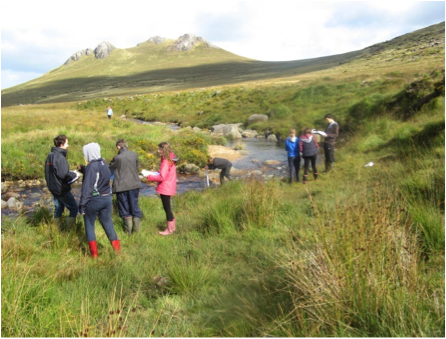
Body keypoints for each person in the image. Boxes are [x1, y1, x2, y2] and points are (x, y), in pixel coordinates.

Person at [79, 143, 120, 258]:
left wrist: (82, 205)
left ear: (88, 153)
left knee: (89, 225)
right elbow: (100, 177)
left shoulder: (91, 167)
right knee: (108, 224)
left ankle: (94, 256)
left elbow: (88, 189)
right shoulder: (103, 163)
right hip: (107, 199)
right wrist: (84, 170)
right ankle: (117, 253)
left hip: (94, 200)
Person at [109, 139, 143, 236]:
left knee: (124, 208)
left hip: (121, 186)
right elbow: (136, 167)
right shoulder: (134, 155)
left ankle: (127, 232)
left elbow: (109, 169)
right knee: (134, 206)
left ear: (118, 147)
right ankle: (136, 232)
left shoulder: (117, 158)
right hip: (134, 184)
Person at [44, 135, 79, 230]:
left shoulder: (50, 156)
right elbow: (64, 175)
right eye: (67, 143)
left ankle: (57, 230)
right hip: (61, 188)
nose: (68, 145)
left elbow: (54, 172)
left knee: (58, 209)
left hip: (53, 187)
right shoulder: (59, 157)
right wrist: (74, 175)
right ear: (61, 144)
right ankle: (70, 231)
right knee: (74, 208)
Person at [143, 142, 177, 236]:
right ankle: (172, 228)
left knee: (167, 209)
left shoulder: (165, 161)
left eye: (160, 149)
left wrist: (149, 176)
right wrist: (158, 172)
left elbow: (162, 177)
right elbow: (166, 172)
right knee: (168, 208)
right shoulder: (171, 157)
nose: (158, 151)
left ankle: (169, 230)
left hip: (166, 186)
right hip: (170, 184)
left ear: (164, 150)